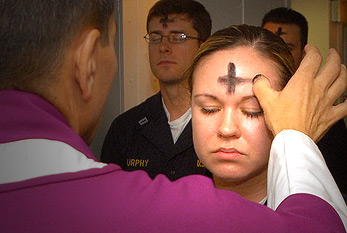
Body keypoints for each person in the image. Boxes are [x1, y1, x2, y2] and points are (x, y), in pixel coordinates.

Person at [0, 1, 347, 232]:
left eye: (253, 110)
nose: (226, 128)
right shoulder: (170, 205)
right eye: (208, 108)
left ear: (290, 114)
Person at [100, 0, 211, 181]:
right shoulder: (126, 129)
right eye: (155, 37)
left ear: (203, 46)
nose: (163, 47)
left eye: (178, 37)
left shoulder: (222, 125)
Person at [262, 7, 347, 195]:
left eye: (287, 47)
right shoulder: (243, 100)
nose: (276, 52)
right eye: (269, 44)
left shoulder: (322, 110)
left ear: (302, 54)